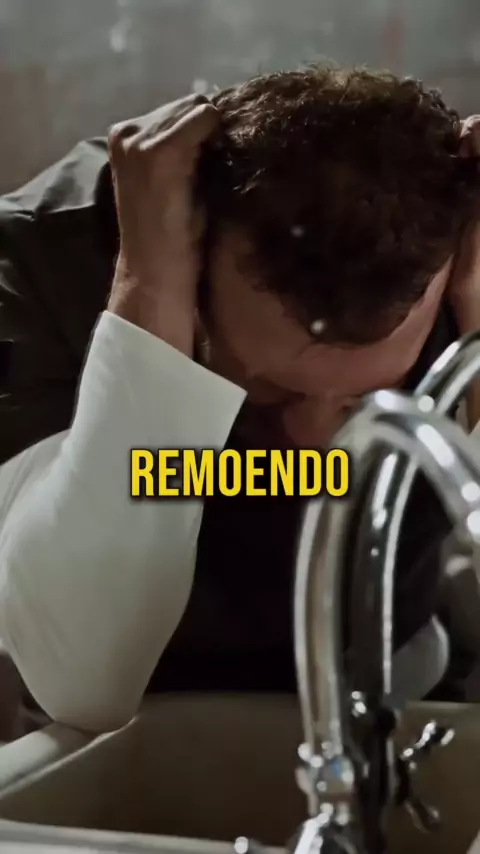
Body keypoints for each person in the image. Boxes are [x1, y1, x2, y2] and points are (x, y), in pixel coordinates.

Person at [1, 64, 480, 735]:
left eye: (370, 398)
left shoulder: (457, 247)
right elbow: (83, 679)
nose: (315, 443)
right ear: (192, 259)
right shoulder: (41, 262)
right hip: (115, 739)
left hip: (397, 699)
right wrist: (149, 298)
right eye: (270, 387)